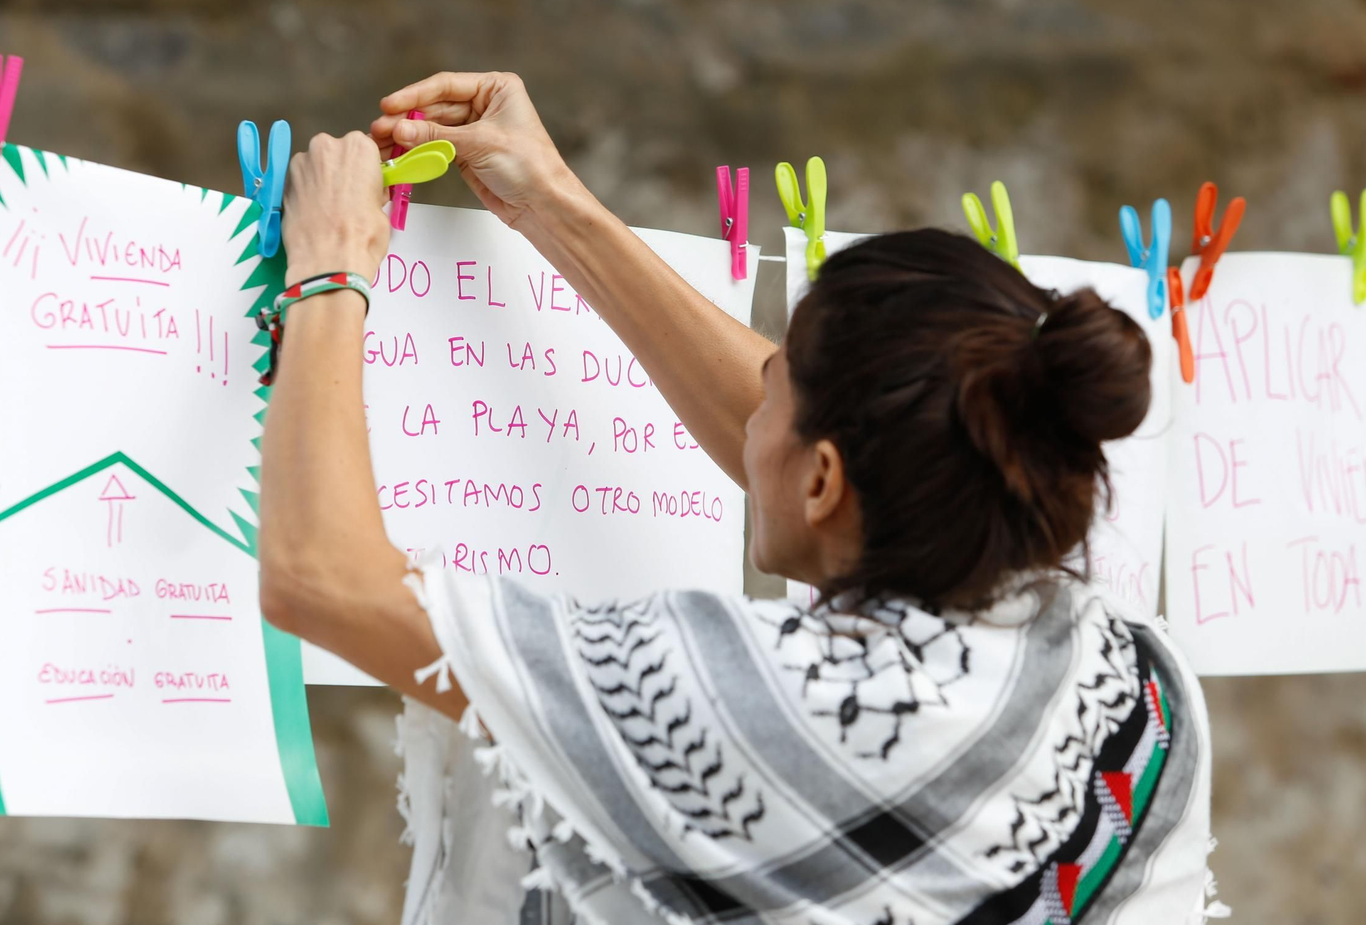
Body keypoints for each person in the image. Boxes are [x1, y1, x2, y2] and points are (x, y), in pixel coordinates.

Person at [256, 72, 1223, 925]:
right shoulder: (1134, 673)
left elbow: (323, 580)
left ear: (823, 479)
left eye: (775, 391)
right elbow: (847, 447)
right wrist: (550, 202)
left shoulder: (787, 712)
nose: (750, 404)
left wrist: (331, 271)